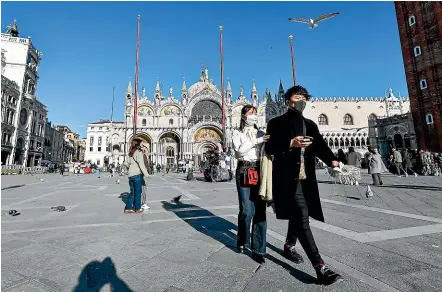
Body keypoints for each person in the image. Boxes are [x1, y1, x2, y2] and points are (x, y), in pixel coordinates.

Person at [265, 85, 342, 285]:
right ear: (287, 100)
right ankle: (320, 267)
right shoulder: (276, 123)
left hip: (306, 178)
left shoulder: (310, 124)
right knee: (301, 215)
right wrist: (290, 143)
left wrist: (332, 160)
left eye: (304, 98)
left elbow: (321, 146)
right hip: (285, 177)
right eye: (297, 97)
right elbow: (270, 146)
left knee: (300, 214)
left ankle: (289, 244)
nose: (301, 100)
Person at [232, 104, 268, 264]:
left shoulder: (262, 132)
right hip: (244, 170)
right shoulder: (237, 133)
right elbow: (240, 151)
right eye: (251, 113)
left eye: (256, 113)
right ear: (243, 116)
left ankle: (259, 249)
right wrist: (258, 140)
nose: (254, 116)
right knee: (246, 210)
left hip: (260, 170)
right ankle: (242, 240)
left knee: (260, 211)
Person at [125, 138, 150, 214]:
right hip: (136, 174)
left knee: (132, 192)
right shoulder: (138, 152)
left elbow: (126, 164)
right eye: (141, 143)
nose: (143, 144)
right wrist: (146, 174)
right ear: (138, 144)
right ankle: (138, 208)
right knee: (138, 192)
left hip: (130, 175)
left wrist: (130, 170)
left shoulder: (130, 153)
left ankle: (128, 208)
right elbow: (141, 164)